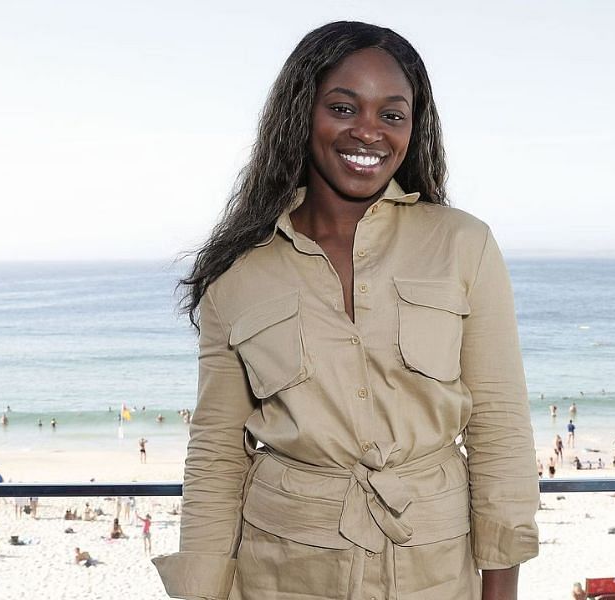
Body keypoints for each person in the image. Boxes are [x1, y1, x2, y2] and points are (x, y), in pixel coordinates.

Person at [152, 22, 539, 600]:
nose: (369, 132)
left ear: (414, 127)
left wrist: (501, 590)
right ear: (301, 113)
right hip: (281, 571)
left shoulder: (463, 245)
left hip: (433, 567)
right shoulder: (238, 272)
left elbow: (499, 426)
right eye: (342, 106)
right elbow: (216, 455)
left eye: (392, 114)